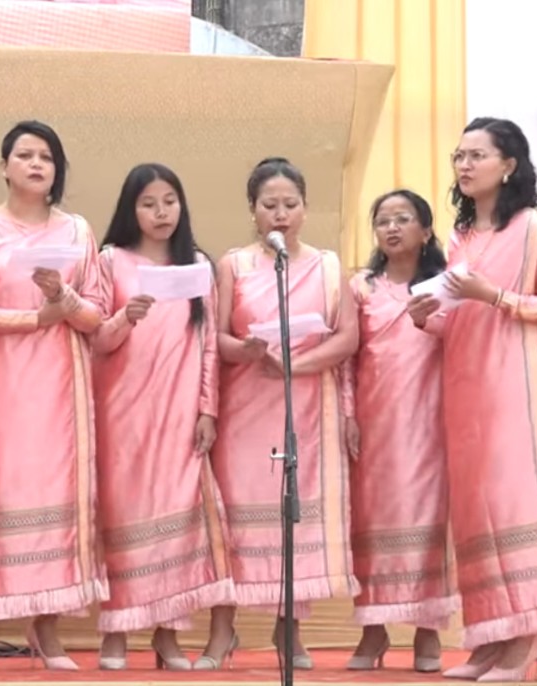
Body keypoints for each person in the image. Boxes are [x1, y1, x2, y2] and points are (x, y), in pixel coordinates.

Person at [408, 117, 537, 682]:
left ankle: (527, 643)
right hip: (466, 390)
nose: (463, 165)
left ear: (508, 165)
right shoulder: (462, 237)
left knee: (516, 506)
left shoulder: (534, 229)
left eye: (476, 155)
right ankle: (491, 638)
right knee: (478, 510)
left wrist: (494, 295)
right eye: (459, 155)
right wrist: (426, 319)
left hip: (518, 389)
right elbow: (460, 323)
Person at [0, 121, 103, 672]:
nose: (36, 164)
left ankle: (47, 627)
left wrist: (62, 300)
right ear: (4, 166)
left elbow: (95, 314)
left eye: (46, 156)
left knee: (54, 501)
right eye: (24, 154)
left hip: (60, 389)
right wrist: (32, 317)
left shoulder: (77, 231)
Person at [209, 157, 359, 670]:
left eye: (289, 205)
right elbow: (218, 337)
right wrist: (248, 350)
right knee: (235, 517)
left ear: (305, 209)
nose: (280, 214)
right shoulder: (234, 264)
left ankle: (288, 629)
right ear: (252, 210)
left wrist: (295, 365)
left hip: (305, 407)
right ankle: (221, 630)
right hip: (245, 405)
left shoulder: (330, 266)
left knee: (292, 513)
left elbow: (346, 337)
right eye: (269, 205)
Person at [91, 163, 233, 671]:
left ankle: (166, 635)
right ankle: (115, 632)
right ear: (131, 209)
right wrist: (122, 319)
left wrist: (207, 409)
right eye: (149, 203)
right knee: (124, 519)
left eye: (169, 201)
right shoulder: (110, 261)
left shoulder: (195, 265)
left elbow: (210, 345)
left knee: (175, 525)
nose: (160, 212)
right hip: (123, 413)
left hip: (179, 416)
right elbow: (96, 342)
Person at [340, 189, 454, 673]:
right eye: (383, 220)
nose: (391, 228)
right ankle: (373, 633)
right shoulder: (361, 287)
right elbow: (347, 358)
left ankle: (428, 632)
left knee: (429, 520)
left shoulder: (447, 285)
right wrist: (347, 414)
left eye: (403, 219)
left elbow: (465, 344)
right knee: (371, 521)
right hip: (374, 421)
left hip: (431, 420)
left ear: (426, 230)